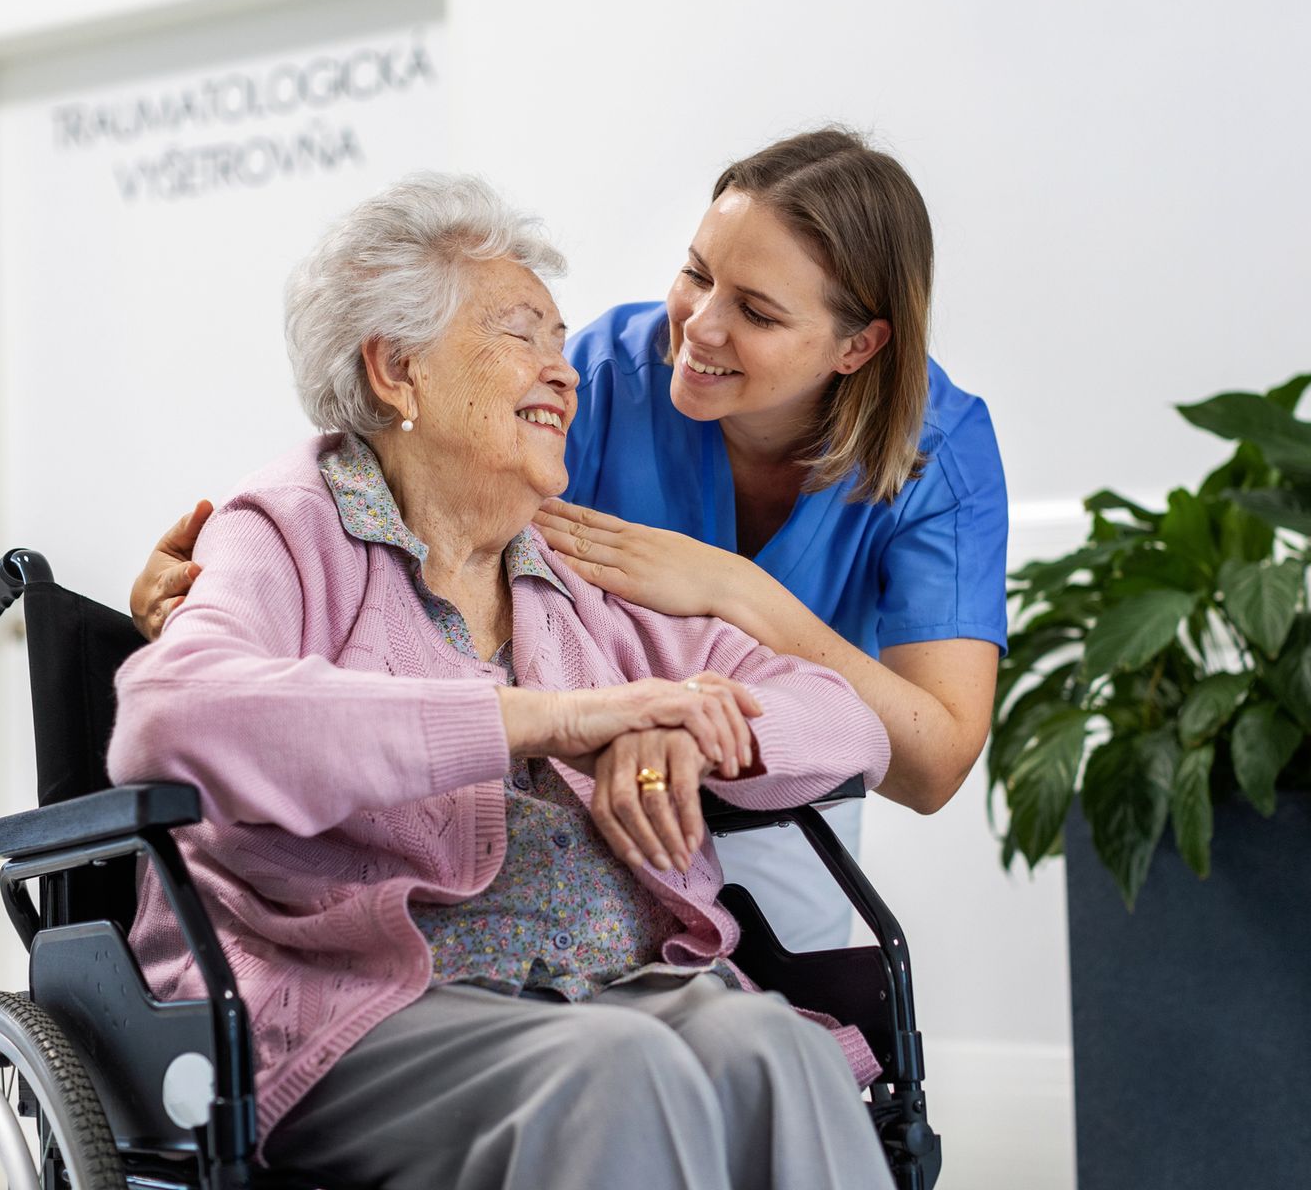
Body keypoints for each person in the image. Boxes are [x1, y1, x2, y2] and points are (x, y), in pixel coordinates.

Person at [108, 173, 894, 1190]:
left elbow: (848, 719)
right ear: (396, 369)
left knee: (776, 1047)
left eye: (562, 342)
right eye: (521, 334)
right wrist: (555, 718)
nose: (561, 374)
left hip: (618, 986)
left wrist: (686, 731)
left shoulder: (567, 569)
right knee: (621, 1067)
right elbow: (172, 715)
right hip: (370, 1001)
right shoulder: (290, 526)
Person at [133, 128, 1008, 951]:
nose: (698, 328)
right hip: (534, 818)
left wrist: (730, 608)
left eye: (758, 312)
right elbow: (407, 495)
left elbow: (922, 759)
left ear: (856, 347)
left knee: (775, 1035)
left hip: (745, 779)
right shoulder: (602, 379)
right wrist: (228, 580)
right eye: (696, 274)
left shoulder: (943, 456)